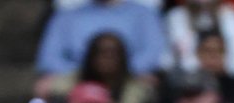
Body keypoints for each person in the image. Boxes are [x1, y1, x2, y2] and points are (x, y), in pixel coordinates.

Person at [35, 0, 166, 83]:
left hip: (129, 79)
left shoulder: (144, 14)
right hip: (78, 80)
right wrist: (89, 73)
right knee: (48, 85)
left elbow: (153, 53)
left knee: (148, 84)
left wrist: (118, 71)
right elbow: (49, 58)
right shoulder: (67, 16)